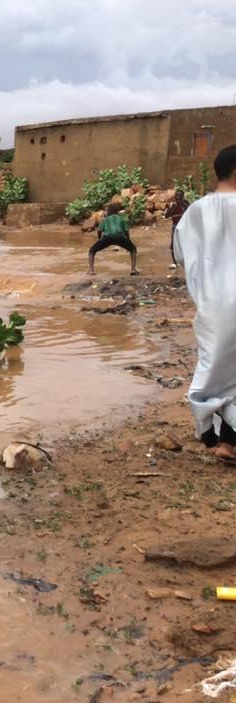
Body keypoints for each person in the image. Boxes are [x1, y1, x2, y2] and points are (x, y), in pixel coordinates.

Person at [173, 144, 236, 463]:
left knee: (214, 366)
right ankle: (227, 441)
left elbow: (179, 253)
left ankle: (212, 434)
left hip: (210, 304)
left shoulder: (195, 211)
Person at [88, 204, 139, 275]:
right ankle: (133, 269)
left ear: (109, 211)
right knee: (133, 249)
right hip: (120, 236)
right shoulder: (122, 219)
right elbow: (126, 231)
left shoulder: (105, 219)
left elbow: (99, 230)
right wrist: (128, 241)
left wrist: (99, 239)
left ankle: (91, 270)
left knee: (92, 251)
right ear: (117, 211)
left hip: (107, 237)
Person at [164, 189, 190, 269]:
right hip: (175, 226)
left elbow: (190, 212)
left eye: (179, 196)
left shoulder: (185, 203)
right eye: (176, 195)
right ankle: (175, 263)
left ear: (182, 197)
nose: (177, 197)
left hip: (184, 227)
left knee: (186, 244)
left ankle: (187, 261)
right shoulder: (173, 205)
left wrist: (182, 205)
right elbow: (166, 216)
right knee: (173, 245)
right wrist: (170, 208)